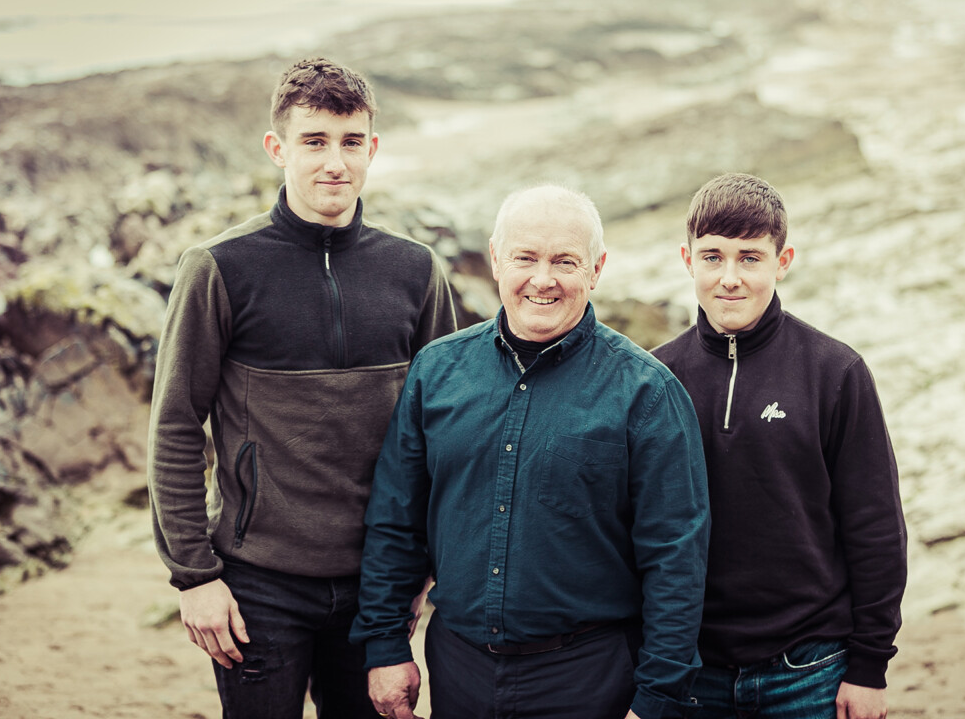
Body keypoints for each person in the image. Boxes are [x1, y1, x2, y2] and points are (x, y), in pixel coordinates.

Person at [147, 57, 457, 719]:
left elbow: (444, 431)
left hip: (378, 588)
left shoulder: (415, 270)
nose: (333, 163)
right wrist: (195, 577)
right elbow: (175, 425)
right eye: (314, 141)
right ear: (277, 148)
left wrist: (421, 570)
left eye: (350, 143)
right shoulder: (218, 268)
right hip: (258, 587)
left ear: (372, 148)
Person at [351, 184, 710, 719]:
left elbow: (676, 556)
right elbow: (395, 520)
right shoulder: (436, 371)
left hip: (590, 678)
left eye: (565, 261)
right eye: (525, 257)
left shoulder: (646, 392)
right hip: (458, 669)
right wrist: (384, 646)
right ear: (496, 259)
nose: (543, 280)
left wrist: (657, 697)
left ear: (596, 268)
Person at [651, 173, 907, 719]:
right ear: (687, 259)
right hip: (691, 673)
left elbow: (876, 525)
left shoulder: (835, 371)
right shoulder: (655, 378)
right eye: (712, 257)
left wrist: (869, 667)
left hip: (810, 671)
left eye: (750, 258)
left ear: (782, 259)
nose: (729, 279)